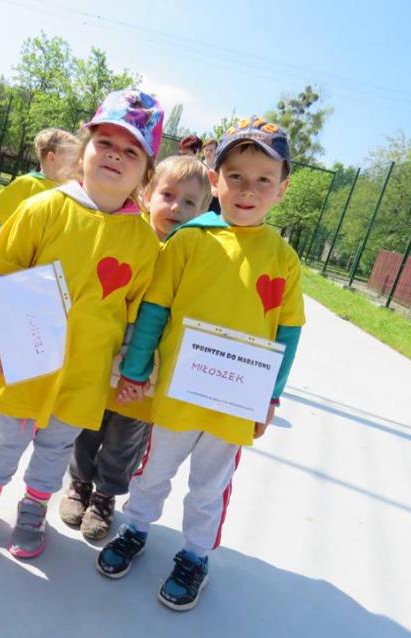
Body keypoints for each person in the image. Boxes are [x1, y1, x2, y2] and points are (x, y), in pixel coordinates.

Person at [96, 115, 305, 611]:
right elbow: (154, 310)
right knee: (154, 470)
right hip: (177, 393)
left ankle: (195, 556)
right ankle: (135, 528)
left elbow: (288, 332)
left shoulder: (284, 259)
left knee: (210, 487)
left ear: (281, 189)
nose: (248, 190)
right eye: (236, 176)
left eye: (264, 180)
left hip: (235, 404)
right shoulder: (190, 240)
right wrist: (136, 368)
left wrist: (271, 396)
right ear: (214, 180)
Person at [0, 90, 163, 559]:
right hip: (23, 359)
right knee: (5, 436)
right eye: (105, 143)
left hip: (85, 373)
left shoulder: (145, 242)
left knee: (56, 447)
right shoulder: (43, 209)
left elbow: (136, 313)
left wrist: (130, 370)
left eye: (131, 152)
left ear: (146, 174)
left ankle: (34, 507)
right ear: (82, 151)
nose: (115, 156)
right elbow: (2, 274)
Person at [58, 155, 211, 540]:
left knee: (126, 437)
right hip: (107, 352)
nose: (176, 208)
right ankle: (78, 483)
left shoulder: (196, 254)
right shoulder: (129, 236)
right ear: (146, 194)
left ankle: (105, 495)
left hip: (151, 369)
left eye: (189, 202)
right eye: (168, 195)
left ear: (204, 210)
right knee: (88, 423)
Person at [0, 128, 81, 231]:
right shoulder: (28, 184)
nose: (77, 163)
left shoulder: (71, 191)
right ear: (52, 157)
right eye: (72, 157)